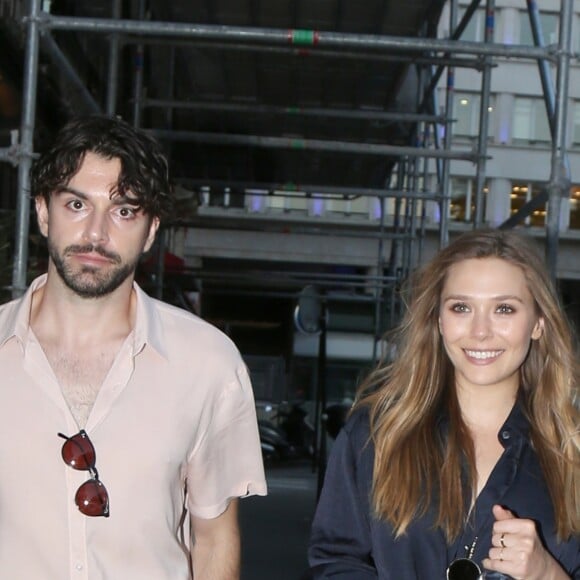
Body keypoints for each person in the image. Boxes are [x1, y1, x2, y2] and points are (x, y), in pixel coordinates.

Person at [0, 115, 267, 579]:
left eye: (124, 211)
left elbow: (215, 540)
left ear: (150, 230)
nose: (97, 234)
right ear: (43, 212)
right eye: (77, 204)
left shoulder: (206, 365)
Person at [308, 229, 579, 579]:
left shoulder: (571, 448)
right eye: (461, 307)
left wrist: (548, 574)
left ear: (538, 323)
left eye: (504, 309)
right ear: (438, 320)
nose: (480, 331)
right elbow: (337, 560)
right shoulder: (376, 434)